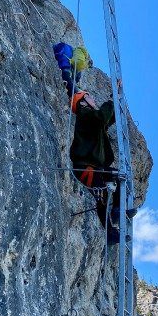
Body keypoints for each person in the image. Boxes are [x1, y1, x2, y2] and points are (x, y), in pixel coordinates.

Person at [69, 90, 121, 244]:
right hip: (86, 167)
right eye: (89, 96)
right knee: (102, 197)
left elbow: (107, 119)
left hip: (94, 167)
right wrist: (111, 101)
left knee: (118, 177)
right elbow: (102, 117)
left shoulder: (92, 119)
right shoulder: (85, 115)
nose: (93, 98)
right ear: (83, 102)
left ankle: (117, 210)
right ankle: (110, 232)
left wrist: (116, 100)